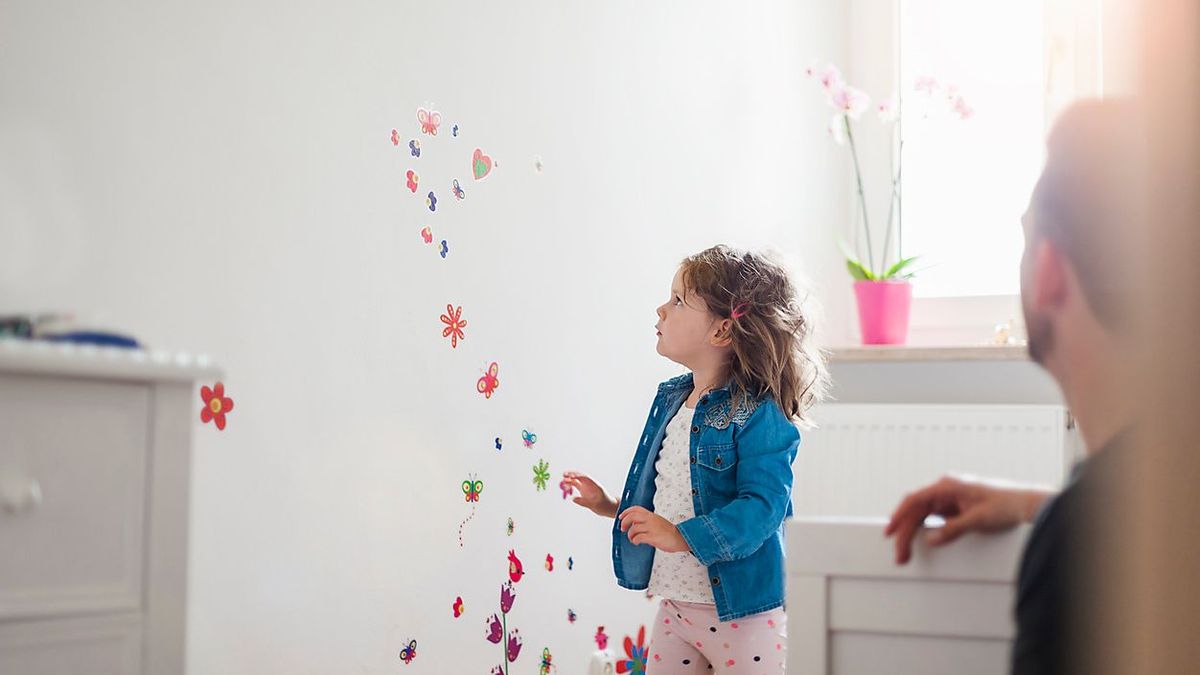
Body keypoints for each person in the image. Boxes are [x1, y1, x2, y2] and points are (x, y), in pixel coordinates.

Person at [884, 99, 1141, 675]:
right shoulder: (1156, 490)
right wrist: (1033, 504)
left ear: (1049, 269)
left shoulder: (1077, 545)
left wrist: (1061, 520)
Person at [565, 244, 828, 673]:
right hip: (677, 608)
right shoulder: (673, 399)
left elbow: (763, 509)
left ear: (722, 332)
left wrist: (681, 537)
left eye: (678, 301)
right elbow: (670, 496)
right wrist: (612, 506)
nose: (661, 309)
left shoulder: (760, 414)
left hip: (744, 615)